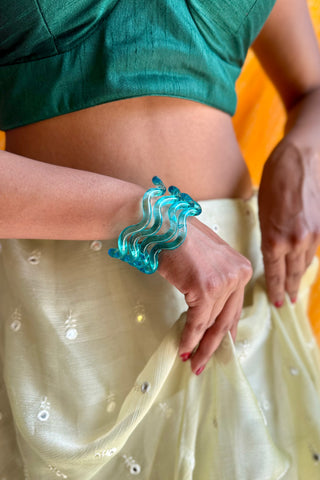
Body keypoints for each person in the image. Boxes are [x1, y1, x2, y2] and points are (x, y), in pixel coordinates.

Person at [0, 0, 320, 478]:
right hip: (63, 325)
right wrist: (148, 218)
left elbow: (313, 89)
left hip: (241, 301)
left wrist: (301, 154)